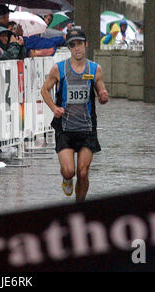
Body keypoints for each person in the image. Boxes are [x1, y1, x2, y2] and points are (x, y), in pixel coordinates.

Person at [41, 27, 109, 202]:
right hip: (65, 128)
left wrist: (103, 96)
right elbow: (44, 90)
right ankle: (66, 179)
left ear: (86, 45)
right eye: (73, 45)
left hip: (87, 127)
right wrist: (54, 108)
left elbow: (102, 94)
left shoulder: (95, 69)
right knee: (70, 171)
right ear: (69, 48)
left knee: (83, 172)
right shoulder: (59, 69)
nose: (77, 48)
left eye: (79, 44)